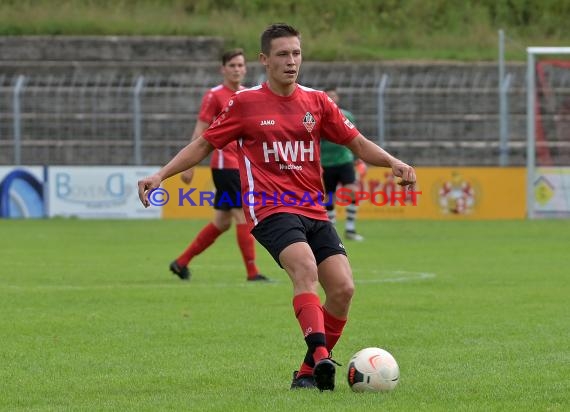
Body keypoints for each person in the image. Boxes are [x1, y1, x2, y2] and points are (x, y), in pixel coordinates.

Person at [138, 23, 416, 391]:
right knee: (304, 269)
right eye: (283, 54)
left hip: (313, 210)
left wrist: (394, 162)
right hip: (270, 209)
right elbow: (204, 144)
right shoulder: (245, 103)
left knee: (343, 289)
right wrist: (162, 175)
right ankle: (320, 358)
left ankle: (305, 373)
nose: (291, 61)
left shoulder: (317, 102)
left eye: (296, 53)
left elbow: (358, 143)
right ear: (265, 60)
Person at [169, 48, 269, 282]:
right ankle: (252, 273)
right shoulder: (214, 95)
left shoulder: (249, 95)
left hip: (242, 166)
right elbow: (200, 130)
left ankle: (181, 262)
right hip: (226, 167)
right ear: (223, 69)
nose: (237, 69)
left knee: (222, 222)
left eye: (240, 65)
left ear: (246, 69)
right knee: (244, 217)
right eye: (232, 65)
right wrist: (189, 166)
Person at [321, 86, 366, 241]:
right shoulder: (316, 117)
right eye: (328, 96)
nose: (331, 99)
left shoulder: (347, 116)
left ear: (337, 98)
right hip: (325, 163)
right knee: (329, 197)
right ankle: (332, 230)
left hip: (344, 160)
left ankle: (350, 228)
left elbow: (355, 140)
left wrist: (356, 159)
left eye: (334, 96)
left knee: (352, 190)